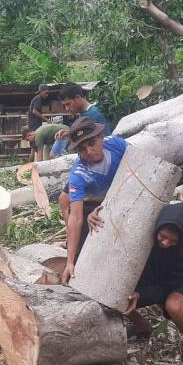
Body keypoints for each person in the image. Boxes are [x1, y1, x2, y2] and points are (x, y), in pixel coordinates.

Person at [121, 204, 183, 365]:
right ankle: (141, 325)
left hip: (175, 283)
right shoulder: (144, 236)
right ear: (157, 228)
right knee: (116, 293)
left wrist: (142, 295)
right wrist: (92, 216)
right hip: (149, 278)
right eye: (163, 236)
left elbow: (167, 286)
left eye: (173, 241)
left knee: (175, 306)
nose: (166, 243)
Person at [61, 116, 127, 284]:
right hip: (90, 204)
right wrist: (69, 261)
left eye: (92, 144)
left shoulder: (116, 144)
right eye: (82, 149)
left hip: (121, 193)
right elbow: (75, 218)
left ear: (101, 137)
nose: (89, 152)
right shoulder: (78, 174)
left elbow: (138, 165)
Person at [27, 85, 50, 161]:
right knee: (34, 149)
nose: (47, 95)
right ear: (42, 91)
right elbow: (34, 111)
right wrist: (46, 119)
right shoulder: (38, 99)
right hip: (34, 126)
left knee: (34, 149)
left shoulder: (36, 99)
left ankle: (31, 167)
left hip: (33, 125)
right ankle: (31, 168)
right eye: (46, 93)